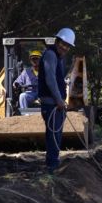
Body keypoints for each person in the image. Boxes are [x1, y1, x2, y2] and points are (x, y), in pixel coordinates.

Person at [38, 28, 75, 174]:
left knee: (56, 135)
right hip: (51, 103)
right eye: (63, 44)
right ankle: (52, 167)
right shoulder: (50, 55)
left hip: (55, 103)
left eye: (67, 46)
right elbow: (50, 80)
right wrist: (59, 100)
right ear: (57, 41)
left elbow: (58, 78)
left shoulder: (59, 57)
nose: (64, 48)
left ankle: (53, 164)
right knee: (54, 135)